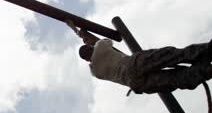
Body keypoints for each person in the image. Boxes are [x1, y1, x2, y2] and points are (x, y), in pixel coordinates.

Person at [75, 28, 212, 94]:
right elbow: (106, 42)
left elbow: (96, 54)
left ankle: (205, 71)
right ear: (90, 48)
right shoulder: (100, 47)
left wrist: (84, 38)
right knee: (170, 56)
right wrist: (87, 38)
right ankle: (206, 50)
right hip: (132, 65)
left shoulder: (95, 72)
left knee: (173, 79)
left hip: (134, 83)